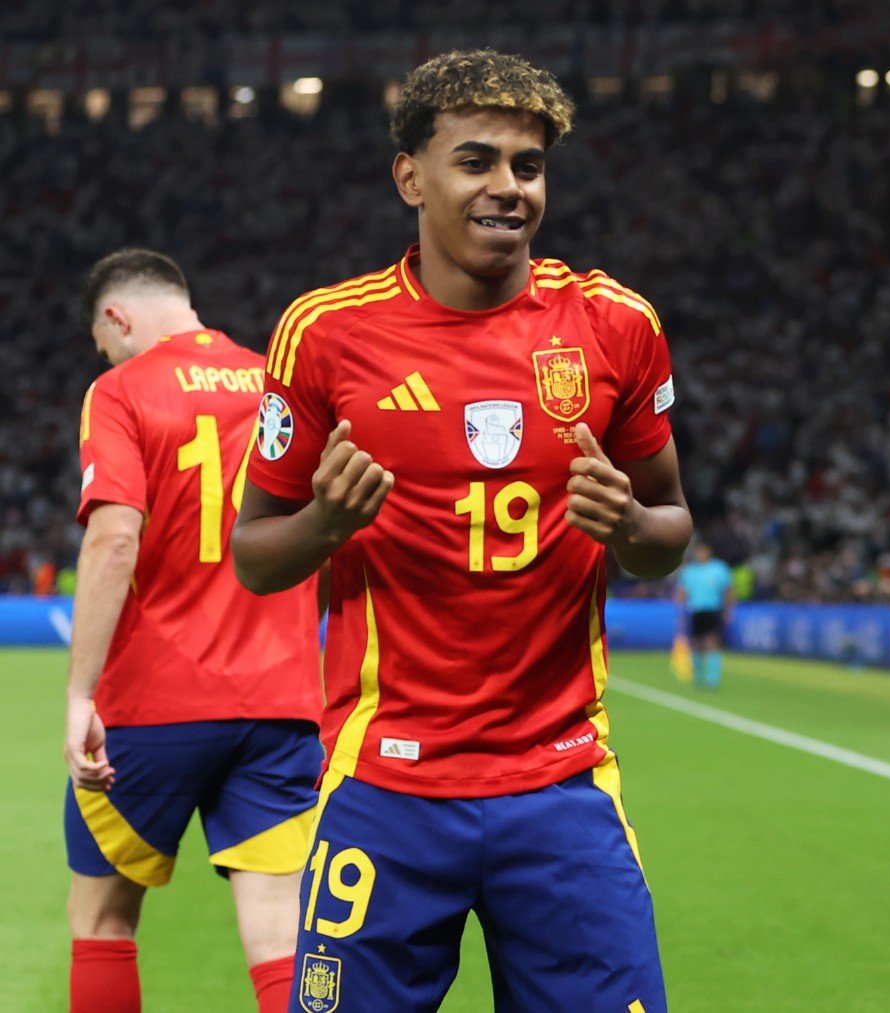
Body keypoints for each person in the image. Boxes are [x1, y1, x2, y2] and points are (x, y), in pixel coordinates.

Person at [231, 50, 689, 1011]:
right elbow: (257, 557)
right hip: (386, 786)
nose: (508, 189)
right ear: (411, 176)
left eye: (527, 167)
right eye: (475, 161)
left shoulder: (614, 325)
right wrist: (327, 521)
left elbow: (669, 530)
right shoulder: (325, 335)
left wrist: (627, 526)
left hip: (561, 781)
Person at [66, 249, 323, 1013]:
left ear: (115, 316)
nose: (105, 355)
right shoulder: (279, 386)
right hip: (281, 701)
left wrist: (80, 692)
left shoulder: (120, 390)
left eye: (101, 341)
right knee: (281, 935)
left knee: (104, 921)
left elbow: (114, 538)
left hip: (153, 704)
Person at [675, 540, 734, 689]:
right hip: (695, 610)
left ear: (709, 552)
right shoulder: (690, 571)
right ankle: (698, 676)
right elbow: (682, 592)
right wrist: (680, 607)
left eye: (703, 551)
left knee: (712, 642)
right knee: (696, 643)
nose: (700, 554)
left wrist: (728, 610)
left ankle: (712, 679)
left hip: (713, 610)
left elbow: (728, 591)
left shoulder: (719, 568)